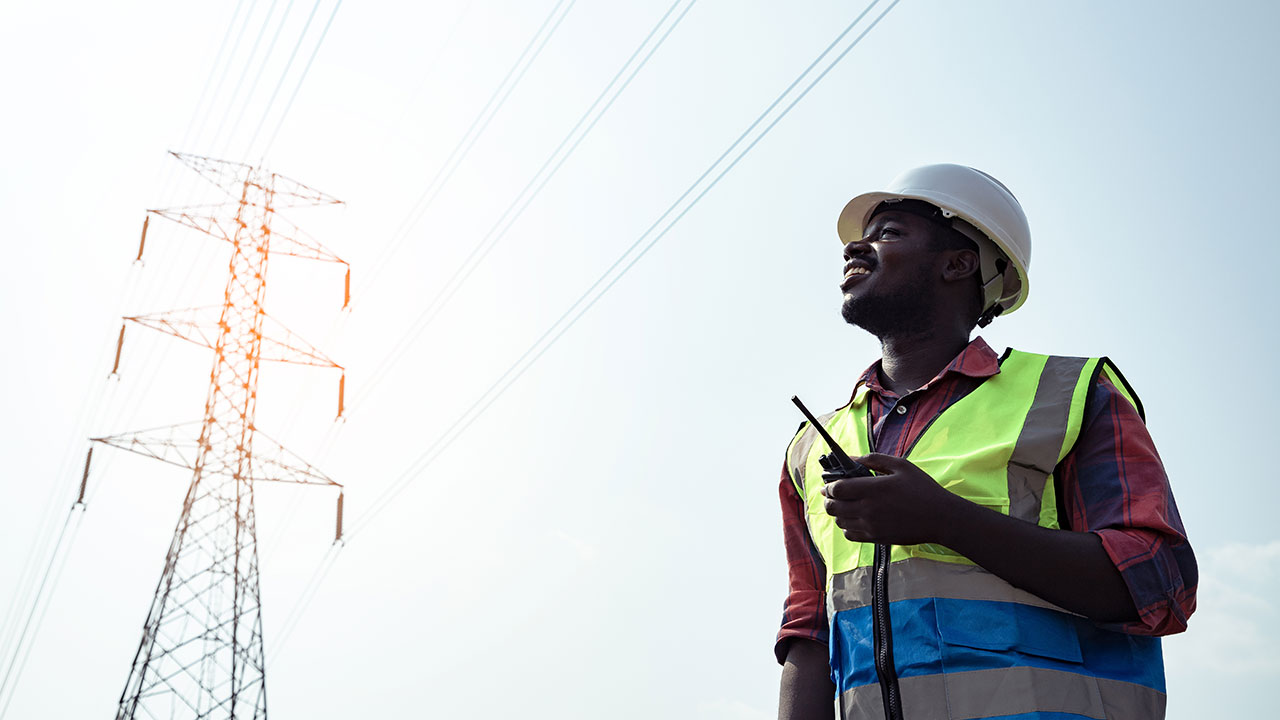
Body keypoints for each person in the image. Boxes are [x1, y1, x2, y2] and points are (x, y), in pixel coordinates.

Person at [774, 164, 1196, 720]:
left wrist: (946, 520)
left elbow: (1159, 583)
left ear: (958, 263)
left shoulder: (1071, 395)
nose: (858, 245)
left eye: (890, 232)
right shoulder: (808, 449)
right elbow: (810, 630)